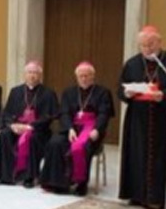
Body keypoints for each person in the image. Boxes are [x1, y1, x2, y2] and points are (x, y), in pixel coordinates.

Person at [118, 25, 166, 209]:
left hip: (164, 119)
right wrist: (127, 93)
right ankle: (137, 195)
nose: (147, 49)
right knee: (137, 155)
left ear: (159, 42)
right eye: (143, 45)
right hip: (138, 120)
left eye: (150, 44)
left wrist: (164, 95)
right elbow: (120, 89)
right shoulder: (132, 63)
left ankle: (159, 198)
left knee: (161, 158)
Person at [39, 61, 114, 195]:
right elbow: (64, 113)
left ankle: (81, 183)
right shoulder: (69, 92)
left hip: (91, 130)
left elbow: (104, 114)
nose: (84, 79)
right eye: (81, 76)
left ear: (93, 76)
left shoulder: (103, 92)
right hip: (72, 128)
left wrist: (97, 129)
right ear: (77, 77)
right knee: (55, 143)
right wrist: (69, 128)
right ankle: (58, 183)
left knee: (84, 146)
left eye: (87, 75)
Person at [0, 61, 58, 188]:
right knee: (4, 135)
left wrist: (30, 126)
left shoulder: (48, 93)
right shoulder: (16, 91)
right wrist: (12, 125)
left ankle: (28, 177)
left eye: (35, 73)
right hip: (17, 127)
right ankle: (7, 176)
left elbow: (49, 116)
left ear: (40, 75)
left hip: (38, 130)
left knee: (32, 138)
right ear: (25, 74)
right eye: (29, 72)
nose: (32, 75)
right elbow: (7, 112)